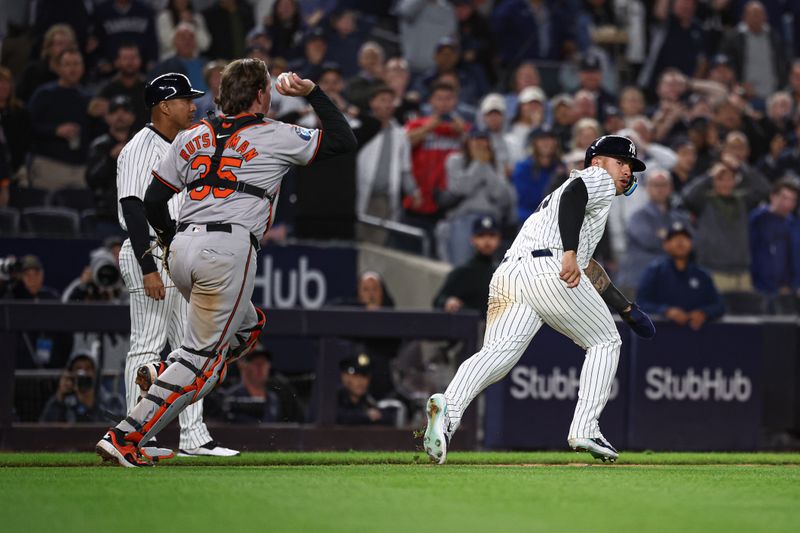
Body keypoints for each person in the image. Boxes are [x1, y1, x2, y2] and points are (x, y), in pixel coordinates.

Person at [96, 59, 357, 467]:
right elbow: (343, 139)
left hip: (183, 249)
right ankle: (126, 436)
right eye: (266, 89)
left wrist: (168, 240)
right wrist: (311, 93)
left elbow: (152, 201)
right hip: (228, 250)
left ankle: (168, 369)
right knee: (201, 364)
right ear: (259, 96)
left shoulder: (192, 135)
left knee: (248, 326)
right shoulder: (275, 134)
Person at [423, 135, 656, 465]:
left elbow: (588, 266)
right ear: (597, 162)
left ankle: (446, 413)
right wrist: (570, 253)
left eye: (631, 167)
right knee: (606, 341)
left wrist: (625, 307)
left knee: (497, 356)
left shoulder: (573, 202)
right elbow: (575, 198)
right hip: (549, 268)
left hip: (511, 273)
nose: (627, 172)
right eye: (620, 162)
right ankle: (585, 427)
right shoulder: (595, 179)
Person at [111, 72, 230, 463]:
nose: (192, 105)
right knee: (147, 345)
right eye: (184, 99)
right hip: (149, 252)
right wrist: (148, 266)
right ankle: (135, 437)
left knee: (190, 350)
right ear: (164, 105)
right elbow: (133, 207)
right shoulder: (140, 147)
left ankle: (194, 435)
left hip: (178, 253)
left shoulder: (183, 143)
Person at [438, 129, 516, 265]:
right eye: (475, 140)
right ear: (468, 142)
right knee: (462, 266)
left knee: (491, 273)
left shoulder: (495, 164)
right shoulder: (455, 160)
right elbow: (460, 189)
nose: (480, 144)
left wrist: (486, 167)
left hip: (492, 221)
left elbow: (500, 195)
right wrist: (478, 164)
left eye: (483, 140)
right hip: (463, 219)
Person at [354, 85, 419, 245]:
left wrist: (414, 191)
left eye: (391, 101)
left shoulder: (400, 134)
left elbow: (405, 169)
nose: (388, 105)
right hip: (357, 193)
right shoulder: (357, 127)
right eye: (383, 100)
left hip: (384, 199)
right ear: (372, 103)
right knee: (355, 241)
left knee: (377, 245)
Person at [615, 168, 690, 297]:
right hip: (637, 281)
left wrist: (664, 235)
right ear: (648, 188)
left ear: (671, 188)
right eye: (655, 185)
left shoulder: (680, 217)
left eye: (664, 185)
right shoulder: (638, 216)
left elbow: (691, 241)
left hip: (669, 282)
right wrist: (676, 242)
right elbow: (650, 240)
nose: (660, 189)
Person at [637, 222, 725, 329]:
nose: (680, 241)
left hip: (696, 337)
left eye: (684, 237)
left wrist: (704, 313)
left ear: (691, 244)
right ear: (666, 245)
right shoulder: (654, 272)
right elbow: (641, 303)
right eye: (674, 238)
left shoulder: (702, 275)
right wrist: (666, 311)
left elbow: (719, 305)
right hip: (662, 336)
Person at [27, 47, 91, 191]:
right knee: (46, 213)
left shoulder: (88, 98)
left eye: (76, 64)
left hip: (79, 169)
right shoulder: (44, 94)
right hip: (49, 166)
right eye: (67, 64)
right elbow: (28, 126)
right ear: (58, 68)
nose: (72, 69)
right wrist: (55, 131)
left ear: (82, 67)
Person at [86, 95, 136, 237]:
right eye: (114, 111)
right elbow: (92, 180)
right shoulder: (99, 146)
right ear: (107, 117)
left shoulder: (141, 143)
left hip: (137, 217)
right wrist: (110, 159)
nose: (120, 115)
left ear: (132, 117)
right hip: (107, 218)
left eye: (125, 111)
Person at [433, 215, 501, 318]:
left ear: (498, 239)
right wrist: (448, 302)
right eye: (481, 235)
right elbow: (438, 300)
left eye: (491, 235)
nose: (487, 241)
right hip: (468, 330)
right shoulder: (462, 272)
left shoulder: (503, 273)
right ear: (473, 239)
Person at [220, 346, 303, 423]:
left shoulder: (274, 398)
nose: (260, 367)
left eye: (264, 363)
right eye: (256, 363)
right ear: (243, 366)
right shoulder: (232, 396)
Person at [749, 180, 800, 300]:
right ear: (772, 196)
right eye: (784, 198)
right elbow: (751, 253)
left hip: (789, 290)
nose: (787, 204)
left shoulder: (794, 224)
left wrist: (794, 285)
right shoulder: (757, 220)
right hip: (760, 288)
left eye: (792, 200)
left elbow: (796, 258)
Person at [39, 352, 125, 423]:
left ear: (95, 374)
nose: (84, 374)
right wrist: (59, 399)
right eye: (78, 369)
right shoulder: (65, 404)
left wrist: (92, 406)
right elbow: (45, 429)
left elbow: (119, 424)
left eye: (88, 368)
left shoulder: (112, 401)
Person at [90, 44, 149, 130]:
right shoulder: (108, 89)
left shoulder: (149, 89)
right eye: (125, 58)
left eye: (133, 58)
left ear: (140, 61)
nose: (129, 62)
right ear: (117, 62)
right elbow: (93, 110)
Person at [336, 354, 392, 426]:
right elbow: (340, 417)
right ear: (345, 377)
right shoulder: (334, 400)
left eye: (364, 376)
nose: (360, 382)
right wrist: (365, 416)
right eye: (355, 376)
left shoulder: (368, 400)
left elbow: (387, 417)